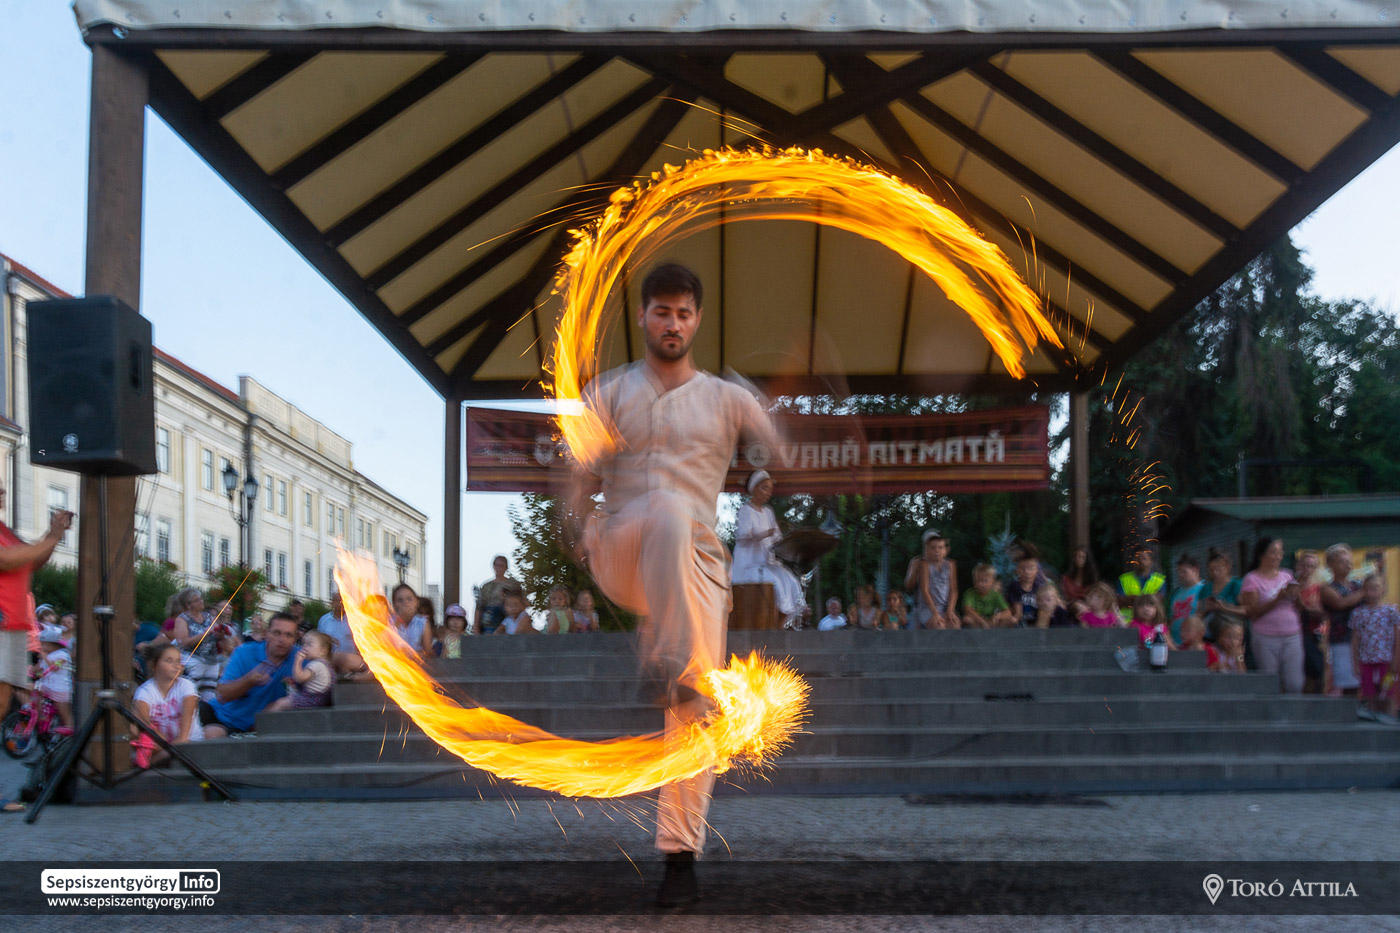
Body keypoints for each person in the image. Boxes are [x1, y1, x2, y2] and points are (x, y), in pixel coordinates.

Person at [568, 261, 779, 907]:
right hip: (625, 546)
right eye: (662, 311)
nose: (673, 323)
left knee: (694, 708)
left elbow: (780, 449)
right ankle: (666, 657)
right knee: (664, 505)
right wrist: (573, 524)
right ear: (643, 315)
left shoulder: (727, 398)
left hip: (698, 569)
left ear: (698, 320)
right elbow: (576, 473)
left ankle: (679, 856)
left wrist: (783, 410)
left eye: (684, 313)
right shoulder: (607, 392)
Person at [0, 495, 71, 719]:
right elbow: (5, 560)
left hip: (12, 624)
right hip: (2, 623)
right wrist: (51, 538)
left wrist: (54, 534)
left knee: (3, 698)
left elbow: (33, 560)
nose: (2, 493)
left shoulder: (4, 530)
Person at [199, 612, 301, 738]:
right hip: (222, 717)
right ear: (266, 634)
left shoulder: (301, 658)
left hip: (259, 728)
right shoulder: (244, 652)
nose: (282, 639)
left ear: (295, 638)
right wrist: (249, 681)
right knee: (208, 731)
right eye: (277, 633)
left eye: (288, 635)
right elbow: (222, 694)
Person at [731, 471, 807, 629]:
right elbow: (743, 537)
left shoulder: (768, 512)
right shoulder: (745, 510)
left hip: (768, 562)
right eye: (764, 488)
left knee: (791, 580)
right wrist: (765, 533)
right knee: (775, 584)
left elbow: (777, 538)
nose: (768, 493)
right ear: (754, 488)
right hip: (749, 565)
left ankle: (782, 625)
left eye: (770, 489)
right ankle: (773, 627)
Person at [1240, 538, 1304, 694]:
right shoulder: (1252, 579)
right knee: (1270, 681)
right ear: (1262, 555)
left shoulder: (1287, 575)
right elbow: (1253, 612)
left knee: (1295, 683)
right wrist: (1277, 599)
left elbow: (1299, 606)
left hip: (1292, 633)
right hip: (1265, 636)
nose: (1278, 556)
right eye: (1273, 552)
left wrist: (1297, 595)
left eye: (1280, 552)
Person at [130, 643, 204, 768]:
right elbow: (144, 724)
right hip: (160, 745)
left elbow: (183, 737)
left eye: (178, 661)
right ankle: (150, 761)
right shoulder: (144, 691)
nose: (176, 665)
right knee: (134, 729)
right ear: (154, 665)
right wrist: (162, 743)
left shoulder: (187, 686)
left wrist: (171, 747)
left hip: (189, 743)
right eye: (169, 661)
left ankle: (146, 765)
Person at [168, 587, 239, 701]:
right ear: (188, 605)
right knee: (190, 694)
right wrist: (204, 634)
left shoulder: (208, 616)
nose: (201, 601)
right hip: (193, 662)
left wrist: (220, 634)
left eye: (201, 599)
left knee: (209, 696)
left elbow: (216, 635)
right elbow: (183, 642)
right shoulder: (182, 619)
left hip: (211, 662)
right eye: (197, 600)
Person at [1349, 574, 1400, 724]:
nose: (1372, 592)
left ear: (1383, 589)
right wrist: (1355, 663)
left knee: (1388, 693)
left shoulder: (1391, 611)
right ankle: (1372, 723)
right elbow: (1355, 640)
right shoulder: (1358, 613)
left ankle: (1390, 722)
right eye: (1368, 589)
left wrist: (1396, 660)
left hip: (1386, 659)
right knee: (1369, 693)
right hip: (1366, 659)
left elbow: (1397, 638)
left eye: (1375, 588)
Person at [1320, 543, 1363, 697]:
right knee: (1347, 681)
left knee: (1364, 681)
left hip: (1363, 639)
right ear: (1331, 565)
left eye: (1349, 561)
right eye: (1342, 561)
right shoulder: (1328, 588)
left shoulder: (1358, 585)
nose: (1347, 565)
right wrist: (1364, 592)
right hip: (1342, 639)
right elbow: (1340, 603)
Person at [267, 631, 335, 712]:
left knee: (280, 703)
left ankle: (265, 720)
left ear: (323, 651)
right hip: (320, 699)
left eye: (309, 644)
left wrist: (297, 661)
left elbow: (299, 678)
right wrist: (293, 683)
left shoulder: (316, 665)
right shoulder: (326, 665)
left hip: (312, 700)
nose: (304, 647)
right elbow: (309, 682)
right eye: (304, 644)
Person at [905, 530, 959, 629]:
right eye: (932, 547)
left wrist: (950, 610)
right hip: (927, 607)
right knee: (939, 625)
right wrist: (935, 613)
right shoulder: (921, 563)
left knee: (955, 624)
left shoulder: (950, 564)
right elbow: (918, 589)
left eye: (940, 547)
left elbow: (953, 589)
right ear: (926, 548)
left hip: (945, 606)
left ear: (946, 549)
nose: (937, 550)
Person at [1294, 550, 1327, 694]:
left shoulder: (1319, 589)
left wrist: (1304, 606)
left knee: (1314, 669)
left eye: (1311, 566)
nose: (1307, 569)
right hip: (1292, 632)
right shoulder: (1291, 587)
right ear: (1298, 566)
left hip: (1311, 633)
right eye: (1305, 565)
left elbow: (1322, 612)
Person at [317, 591, 369, 679]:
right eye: (337, 601)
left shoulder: (354, 620)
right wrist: (328, 639)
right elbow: (319, 640)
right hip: (330, 664)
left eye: (343, 601)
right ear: (332, 603)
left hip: (350, 665)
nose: (340, 604)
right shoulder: (324, 620)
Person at [34, 624, 74, 732]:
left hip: (60, 688)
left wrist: (44, 656)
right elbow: (38, 670)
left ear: (53, 645)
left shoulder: (62, 655)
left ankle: (69, 727)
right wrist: (34, 670)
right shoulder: (47, 656)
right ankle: (40, 716)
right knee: (35, 692)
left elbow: (55, 667)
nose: (41, 647)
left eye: (44, 644)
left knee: (63, 709)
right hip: (47, 685)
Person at [1200, 548, 1245, 641]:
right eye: (1211, 570)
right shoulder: (1206, 588)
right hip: (1210, 634)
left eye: (1218, 569)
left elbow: (1245, 610)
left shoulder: (1236, 584)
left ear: (1227, 567)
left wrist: (1224, 607)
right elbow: (1198, 614)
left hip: (1232, 634)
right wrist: (1206, 609)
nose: (1215, 572)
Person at [474, 556, 522, 636]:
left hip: (508, 618)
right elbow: (479, 607)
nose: (499, 568)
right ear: (493, 566)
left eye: (502, 565)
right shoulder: (486, 586)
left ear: (506, 567)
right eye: (497, 565)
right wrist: (476, 628)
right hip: (489, 620)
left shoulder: (513, 584)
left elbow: (521, 603)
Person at [1116, 546, 1166, 622]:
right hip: (1128, 622)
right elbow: (1120, 601)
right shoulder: (1123, 579)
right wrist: (1148, 599)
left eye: (1143, 558)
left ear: (1151, 561)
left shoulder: (1160, 580)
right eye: (1136, 558)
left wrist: (1132, 598)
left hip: (1150, 623)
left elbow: (1157, 602)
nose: (1139, 561)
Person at [960, 564, 1015, 628]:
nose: (981, 584)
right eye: (978, 581)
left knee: (1011, 620)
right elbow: (967, 610)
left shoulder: (996, 595)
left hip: (991, 621)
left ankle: (996, 633)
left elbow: (1008, 612)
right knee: (967, 619)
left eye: (985, 581)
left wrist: (998, 616)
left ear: (992, 582)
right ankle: (979, 633)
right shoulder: (970, 593)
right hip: (977, 621)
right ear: (974, 582)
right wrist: (982, 621)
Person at [1168, 554, 1207, 644]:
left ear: (1195, 570)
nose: (1180, 575)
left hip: (1194, 643)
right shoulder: (1176, 592)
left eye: (1184, 572)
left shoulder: (1204, 589)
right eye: (1179, 572)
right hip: (1175, 642)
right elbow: (1171, 617)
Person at [389, 583, 435, 657]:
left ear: (416, 602)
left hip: (416, 661)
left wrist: (416, 654)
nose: (405, 603)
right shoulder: (389, 621)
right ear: (394, 605)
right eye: (400, 600)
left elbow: (428, 652)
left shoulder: (422, 622)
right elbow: (386, 645)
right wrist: (399, 620)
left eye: (409, 599)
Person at [1004, 552, 1042, 628]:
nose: (1027, 572)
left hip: (1037, 622)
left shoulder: (1040, 587)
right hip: (1019, 622)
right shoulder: (1015, 586)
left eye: (1031, 568)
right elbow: (1018, 612)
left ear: (1037, 570)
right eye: (1023, 568)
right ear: (1017, 570)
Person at [1060, 546, 1098, 611]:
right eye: (1077, 556)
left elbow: (1093, 597)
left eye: (1082, 557)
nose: (1079, 559)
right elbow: (1064, 596)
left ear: (1087, 559)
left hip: (1087, 608)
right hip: (1069, 607)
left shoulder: (1091, 578)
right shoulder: (1067, 578)